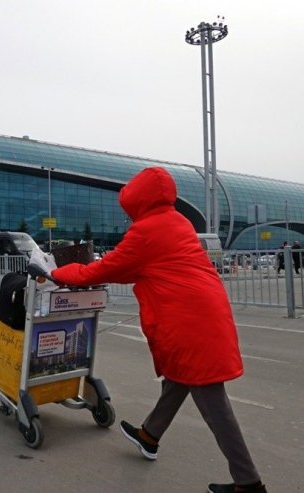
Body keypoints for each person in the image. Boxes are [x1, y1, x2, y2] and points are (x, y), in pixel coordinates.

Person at [50, 167, 267, 493]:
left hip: (190, 323)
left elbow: (103, 269)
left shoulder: (146, 232)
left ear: (137, 200)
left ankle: (248, 483)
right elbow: (140, 268)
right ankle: (149, 436)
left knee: (213, 403)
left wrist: (56, 272)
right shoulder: (178, 222)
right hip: (207, 311)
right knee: (180, 378)